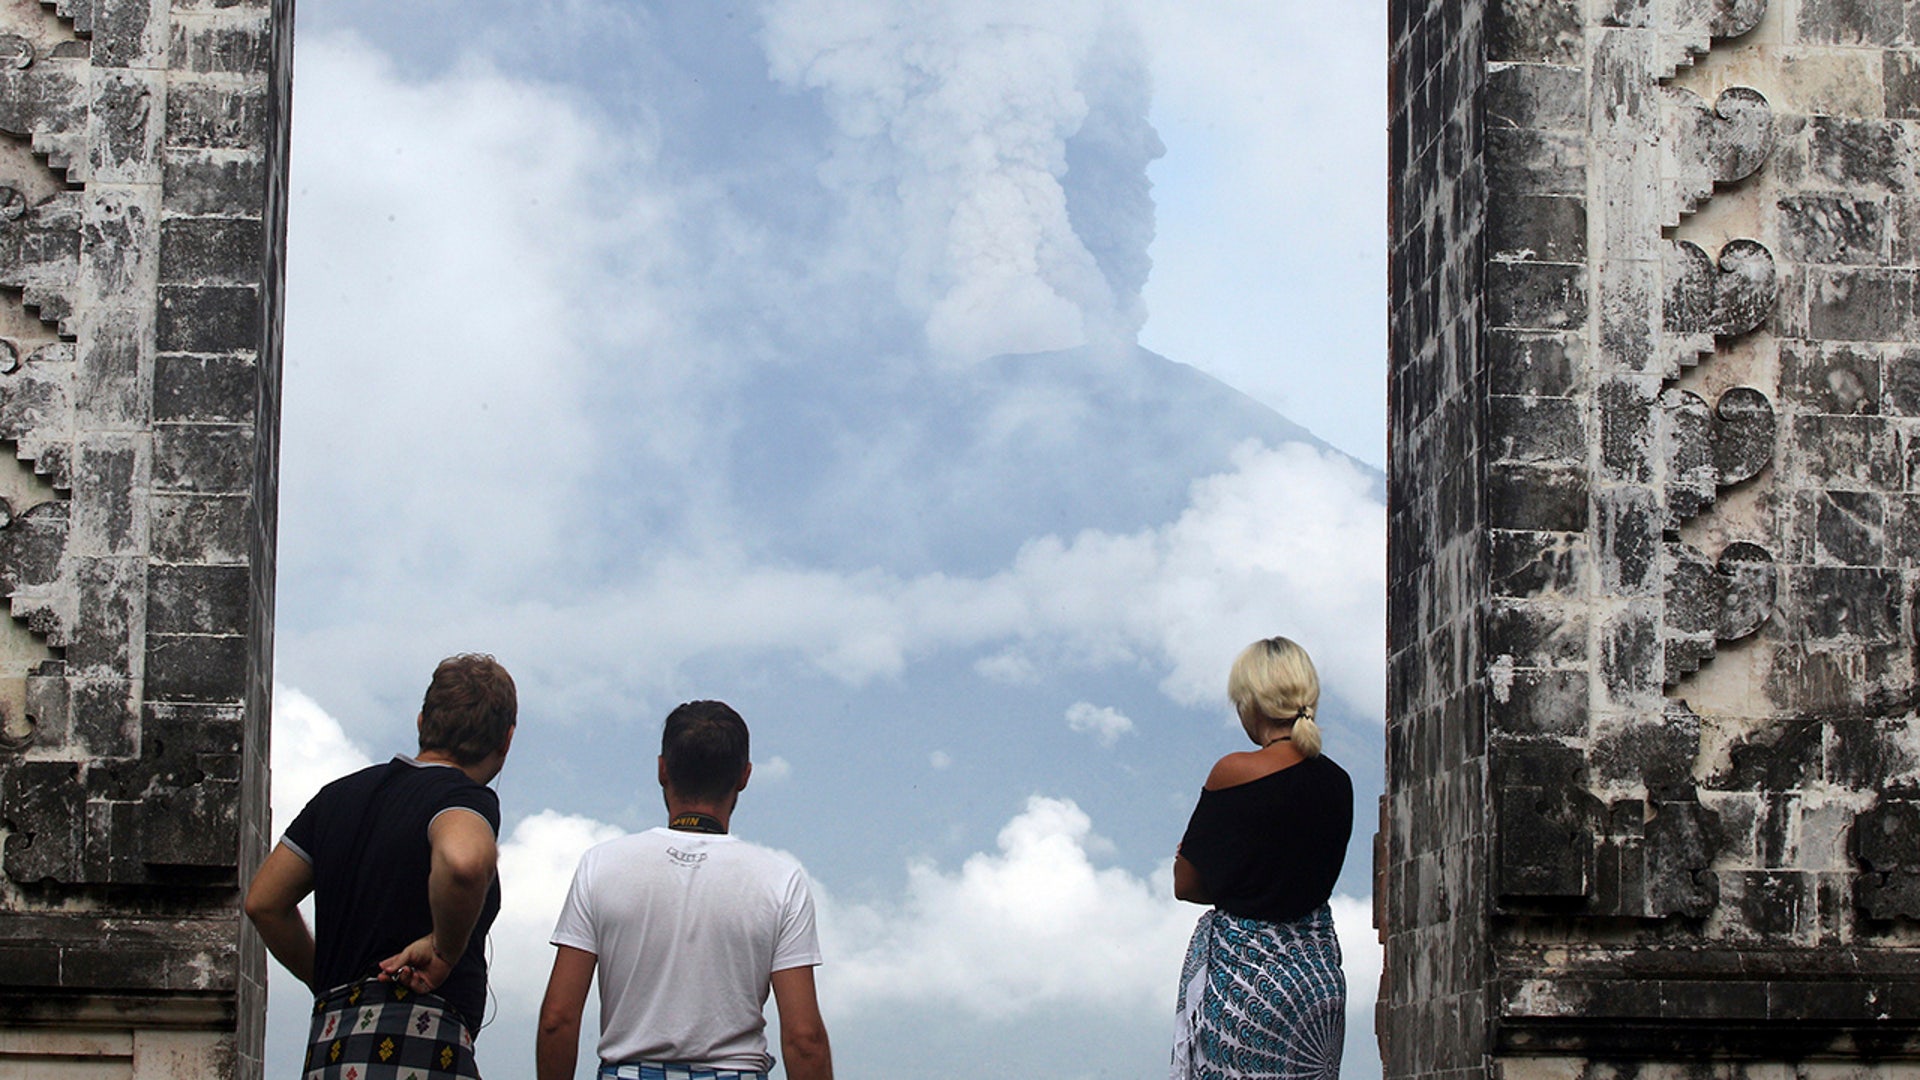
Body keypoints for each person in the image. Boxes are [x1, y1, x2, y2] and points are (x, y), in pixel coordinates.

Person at [245, 653, 518, 1080]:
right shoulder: (462, 798)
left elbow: (264, 902)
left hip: (330, 1049)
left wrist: (328, 980)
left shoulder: (335, 799)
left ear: (421, 721)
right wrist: (445, 949)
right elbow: (465, 861)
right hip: (420, 1049)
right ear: (507, 740)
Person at [536, 699, 832, 1080]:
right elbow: (804, 1038)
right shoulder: (779, 880)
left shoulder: (602, 865)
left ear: (662, 769)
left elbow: (557, 1019)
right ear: (744, 775)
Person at [1171, 636, 1353, 1079]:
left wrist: (1199, 861)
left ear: (1251, 703)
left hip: (1248, 986)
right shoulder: (1339, 783)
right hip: (1316, 984)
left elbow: (1186, 884)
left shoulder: (1235, 772)